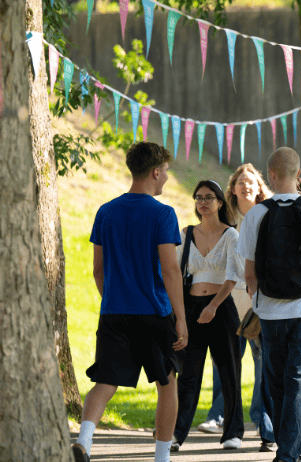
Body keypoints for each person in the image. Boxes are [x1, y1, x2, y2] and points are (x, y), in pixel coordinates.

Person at [71, 142, 187, 462]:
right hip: (154, 312)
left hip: (114, 311)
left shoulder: (106, 211)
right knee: (167, 384)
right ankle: (161, 458)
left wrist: (113, 298)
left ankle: (84, 441)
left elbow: (98, 269)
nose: (166, 178)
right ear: (154, 172)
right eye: (165, 172)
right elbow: (170, 269)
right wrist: (180, 318)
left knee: (105, 381)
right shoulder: (163, 213)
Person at [237, 147, 301, 462]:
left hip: (270, 312)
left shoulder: (256, 214)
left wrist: (258, 301)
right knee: (297, 381)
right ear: (298, 173)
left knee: (277, 382)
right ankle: (290, 452)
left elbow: (250, 273)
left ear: (270, 174)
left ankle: (288, 451)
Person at [197, 164, 271, 437]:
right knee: (224, 359)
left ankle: (262, 416)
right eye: (240, 181)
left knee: (263, 361)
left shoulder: (268, 216)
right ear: (233, 188)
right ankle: (219, 415)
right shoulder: (224, 221)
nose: (245, 185)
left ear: (259, 187)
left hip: (261, 301)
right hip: (229, 301)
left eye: (251, 181)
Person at [173, 180, 245, 451]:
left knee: (229, 372)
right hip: (192, 308)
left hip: (221, 308)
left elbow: (232, 277)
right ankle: (177, 434)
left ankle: (232, 433)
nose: (203, 202)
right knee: (188, 375)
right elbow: (175, 272)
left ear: (220, 202)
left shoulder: (231, 235)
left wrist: (213, 306)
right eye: (199, 198)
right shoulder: (186, 233)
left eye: (209, 197)